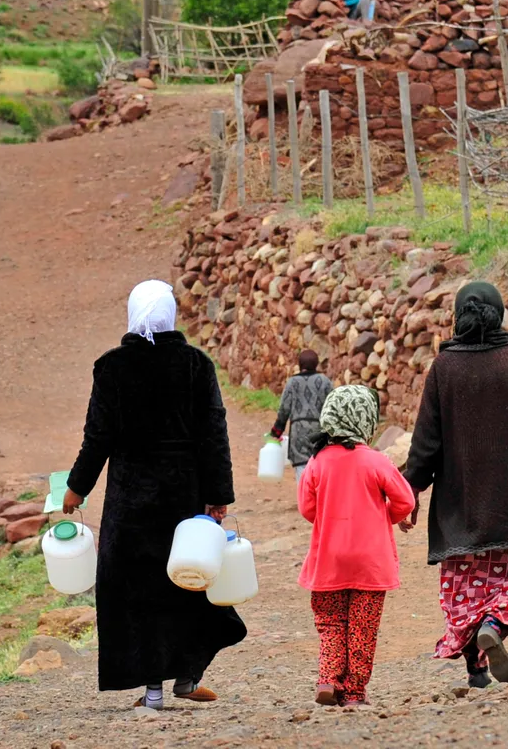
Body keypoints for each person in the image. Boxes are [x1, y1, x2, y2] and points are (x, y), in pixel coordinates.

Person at [62, 279, 247, 711]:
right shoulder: (196, 365)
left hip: (131, 502)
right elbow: (213, 434)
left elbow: (98, 439)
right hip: (186, 496)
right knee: (188, 581)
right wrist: (218, 495)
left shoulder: (112, 368)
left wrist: (75, 489)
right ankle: (186, 676)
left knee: (138, 592)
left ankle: (154, 691)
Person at [401, 282, 508, 689]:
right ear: (500, 315)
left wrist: (409, 490)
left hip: (459, 508)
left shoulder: (444, 367)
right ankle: (495, 622)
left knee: (464, 588)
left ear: (458, 318)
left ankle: (475, 669)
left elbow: (426, 443)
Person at [298, 385, 415, 707]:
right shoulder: (376, 461)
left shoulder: (318, 461)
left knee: (331, 624)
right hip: (370, 564)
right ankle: (354, 692)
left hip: (329, 561)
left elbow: (307, 509)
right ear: (366, 419)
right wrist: (384, 516)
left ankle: (327, 678)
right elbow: (405, 500)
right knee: (363, 630)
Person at [271, 349, 333, 483]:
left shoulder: (292, 383)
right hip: (320, 432)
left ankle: (306, 499)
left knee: (302, 467)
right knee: (320, 465)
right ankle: (321, 499)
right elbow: (333, 407)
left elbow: (284, 409)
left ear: (299, 365)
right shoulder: (325, 382)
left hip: (298, 432)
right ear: (316, 364)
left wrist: (276, 431)